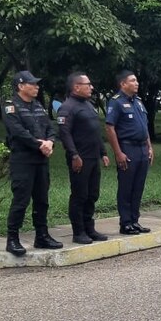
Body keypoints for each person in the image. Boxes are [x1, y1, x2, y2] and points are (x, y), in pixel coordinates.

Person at [2, 70, 60, 257]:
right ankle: (12, 239)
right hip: (23, 161)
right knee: (21, 200)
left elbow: (50, 127)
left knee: (42, 200)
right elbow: (17, 132)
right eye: (32, 84)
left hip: (41, 161)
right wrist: (39, 144)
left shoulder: (38, 106)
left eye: (37, 84)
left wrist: (50, 142)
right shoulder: (11, 107)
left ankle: (42, 235)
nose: (36, 87)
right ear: (20, 86)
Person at [57, 71, 110, 245]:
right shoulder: (67, 107)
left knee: (92, 194)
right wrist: (74, 155)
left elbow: (95, 131)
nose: (91, 87)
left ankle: (89, 228)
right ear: (76, 87)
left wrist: (103, 153)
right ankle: (78, 231)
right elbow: (65, 134)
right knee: (80, 195)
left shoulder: (88, 105)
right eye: (88, 85)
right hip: (79, 158)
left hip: (93, 157)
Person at [105, 70, 154, 235]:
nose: (137, 83)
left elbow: (144, 127)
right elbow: (110, 128)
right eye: (132, 81)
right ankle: (125, 222)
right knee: (126, 187)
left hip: (141, 148)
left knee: (138, 186)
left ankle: (135, 220)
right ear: (123, 84)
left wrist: (149, 147)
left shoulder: (138, 102)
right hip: (127, 148)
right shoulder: (116, 102)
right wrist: (118, 153)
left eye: (137, 80)